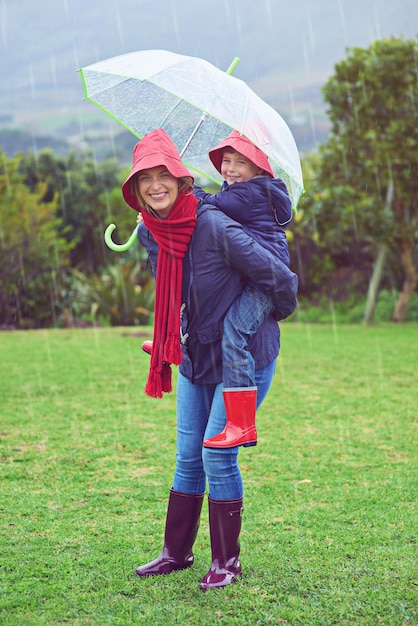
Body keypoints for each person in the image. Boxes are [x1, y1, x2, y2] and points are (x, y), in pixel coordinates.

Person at [121, 128, 298, 591]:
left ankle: (227, 563)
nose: (155, 185)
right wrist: (153, 241)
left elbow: (281, 279)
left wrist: (255, 320)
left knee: (218, 455)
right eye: (145, 178)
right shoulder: (158, 233)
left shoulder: (215, 224)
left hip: (244, 358)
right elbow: (177, 295)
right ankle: (175, 553)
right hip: (197, 355)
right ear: (135, 189)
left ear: (182, 181)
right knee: (187, 457)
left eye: (164, 175)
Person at [193, 130, 293, 449]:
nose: (231, 169)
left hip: (265, 275)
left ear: (259, 170)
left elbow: (210, 204)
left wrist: (185, 188)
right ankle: (173, 339)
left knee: (235, 329)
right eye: (226, 161)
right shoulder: (246, 190)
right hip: (255, 268)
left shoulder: (246, 194)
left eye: (241, 162)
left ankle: (241, 423)